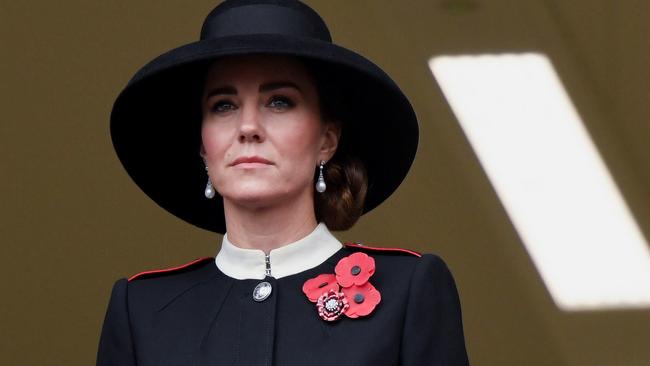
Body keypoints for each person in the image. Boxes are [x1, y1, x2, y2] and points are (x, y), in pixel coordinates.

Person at [98, 0, 470, 365]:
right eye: (223, 105)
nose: (247, 128)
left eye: (279, 102)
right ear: (202, 147)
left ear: (326, 140)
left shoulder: (406, 291)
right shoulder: (142, 310)